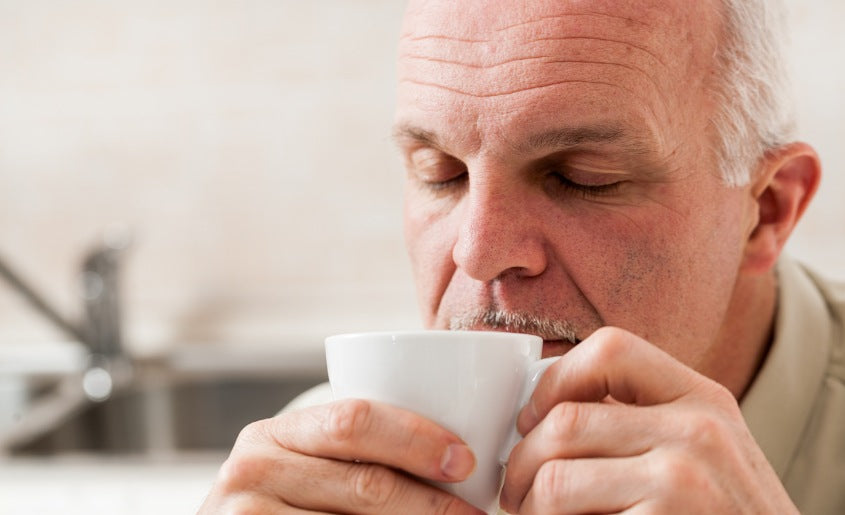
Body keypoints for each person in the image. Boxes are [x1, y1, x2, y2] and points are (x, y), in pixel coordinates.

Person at [200, 0, 844, 513]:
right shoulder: (320, 473)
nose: (478, 254)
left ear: (766, 212)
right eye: (441, 173)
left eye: (581, 177)